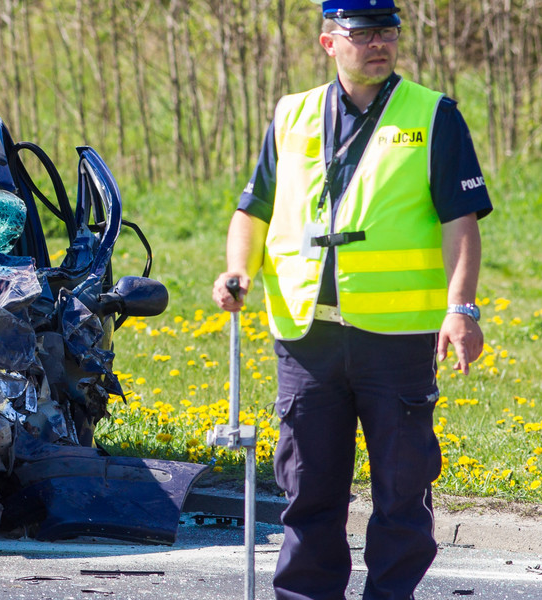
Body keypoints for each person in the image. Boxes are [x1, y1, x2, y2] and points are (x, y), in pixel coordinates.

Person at [211, 1, 492, 598]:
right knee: (307, 490)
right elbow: (252, 209)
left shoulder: (432, 114)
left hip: (396, 338)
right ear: (327, 42)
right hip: (307, 337)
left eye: (387, 31)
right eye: (362, 33)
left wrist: (460, 307)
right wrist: (237, 270)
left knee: (401, 492)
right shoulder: (292, 114)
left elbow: (460, 220)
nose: (378, 43)